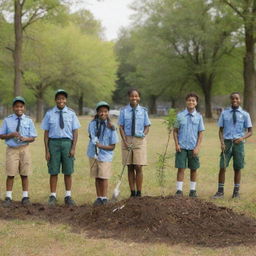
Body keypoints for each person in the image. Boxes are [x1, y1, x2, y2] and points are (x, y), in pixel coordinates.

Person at [41, 89, 80, 206]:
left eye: (63, 98)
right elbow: (46, 133)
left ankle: (68, 196)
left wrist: (73, 148)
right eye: (58, 98)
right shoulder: (49, 114)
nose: (60, 100)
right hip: (53, 143)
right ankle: (52, 196)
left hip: (67, 143)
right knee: (53, 171)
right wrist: (47, 150)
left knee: (68, 171)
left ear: (66, 100)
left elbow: (75, 132)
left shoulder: (71, 114)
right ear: (55, 100)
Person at [212, 92, 253, 199]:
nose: (234, 100)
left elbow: (250, 131)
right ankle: (220, 192)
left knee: (237, 168)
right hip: (227, 143)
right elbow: (220, 130)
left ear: (240, 100)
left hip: (239, 144)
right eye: (233, 98)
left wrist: (242, 138)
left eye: (237, 98)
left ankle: (236, 193)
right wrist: (221, 142)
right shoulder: (224, 113)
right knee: (222, 167)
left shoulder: (245, 114)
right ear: (230, 100)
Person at [0, 96, 37, 206]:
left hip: (24, 149)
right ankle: (8, 197)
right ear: (13, 108)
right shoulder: (7, 120)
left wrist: (26, 139)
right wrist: (10, 135)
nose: (19, 108)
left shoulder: (29, 120)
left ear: (24, 107)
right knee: (10, 173)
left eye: (21, 106)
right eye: (16, 106)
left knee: (24, 173)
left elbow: (33, 137)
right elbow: (1, 135)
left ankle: (25, 197)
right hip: (12, 150)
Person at [118, 88, 151, 197]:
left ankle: (139, 192)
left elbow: (147, 125)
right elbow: (121, 127)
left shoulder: (143, 111)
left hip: (139, 140)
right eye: (132, 96)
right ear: (129, 97)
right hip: (127, 139)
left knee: (138, 166)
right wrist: (125, 141)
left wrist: (143, 134)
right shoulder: (123, 111)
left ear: (139, 98)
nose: (134, 98)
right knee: (130, 166)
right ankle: (132, 192)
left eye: (136, 96)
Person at [173, 93, 205, 197]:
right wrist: (177, 144)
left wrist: (198, 147)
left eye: (193, 100)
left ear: (196, 103)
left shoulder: (199, 117)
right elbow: (175, 131)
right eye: (189, 100)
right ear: (186, 101)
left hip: (193, 147)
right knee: (181, 168)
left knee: (193, 168)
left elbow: (200, 133)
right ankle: (179, 190)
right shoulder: (180, 116)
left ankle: (192, 190)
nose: (191, 102)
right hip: (181, 147)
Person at [87, 101, 118, 206]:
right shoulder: (92, 124)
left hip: (105, 156)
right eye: (100, 111)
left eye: (105, 111)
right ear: (97, 112)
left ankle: (104, 197)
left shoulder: (111, 127)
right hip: (93, 154)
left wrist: (101, 146)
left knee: (104, 176)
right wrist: (96, 144)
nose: (103, 113)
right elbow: (92, 136)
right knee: (97, 176)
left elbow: (113, 146)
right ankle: (99, 197)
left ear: (108, 113)